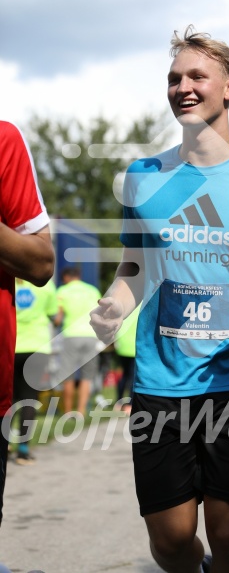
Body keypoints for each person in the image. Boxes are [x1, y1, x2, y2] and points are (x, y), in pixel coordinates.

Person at [90, 26, 229, 573]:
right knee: (170, 543)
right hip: (160, 383)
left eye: (196, 76)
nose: (182, 87)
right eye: (173, 79)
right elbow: (135, 270)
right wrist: (116, 303)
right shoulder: (144, 178)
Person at [0, 120, 54, 524]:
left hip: (25, 350)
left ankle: (20, 447)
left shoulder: (4, 138)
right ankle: (23, 447)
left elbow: (40, 263)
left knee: (24, 403)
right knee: (27, 404)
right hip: (34, 347)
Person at [12, 277, 58, 465]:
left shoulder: (7, 280)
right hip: (38, 347)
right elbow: (54, 316)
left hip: (10, 345)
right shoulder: (45, 283)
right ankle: (23, 450)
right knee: (29, 398)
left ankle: (4, 444)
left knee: (8, 398)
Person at [55, 267, 101, 416]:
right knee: (86, 376)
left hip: (71, 335)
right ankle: (81, 411)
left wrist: (55, 323)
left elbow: (58, 318)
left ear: (66, 277)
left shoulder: (62, 291)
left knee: (67, 375)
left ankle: (68, 413)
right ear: (78, 276)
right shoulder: (92, 290)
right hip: (90, 336)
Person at [113, 304, 141, 414]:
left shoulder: (124, 306)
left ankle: (119, 402)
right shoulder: (142, 306)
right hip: (135, 345)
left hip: (122, 344)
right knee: (133, 376)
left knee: (124, 374)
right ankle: (129, 404)